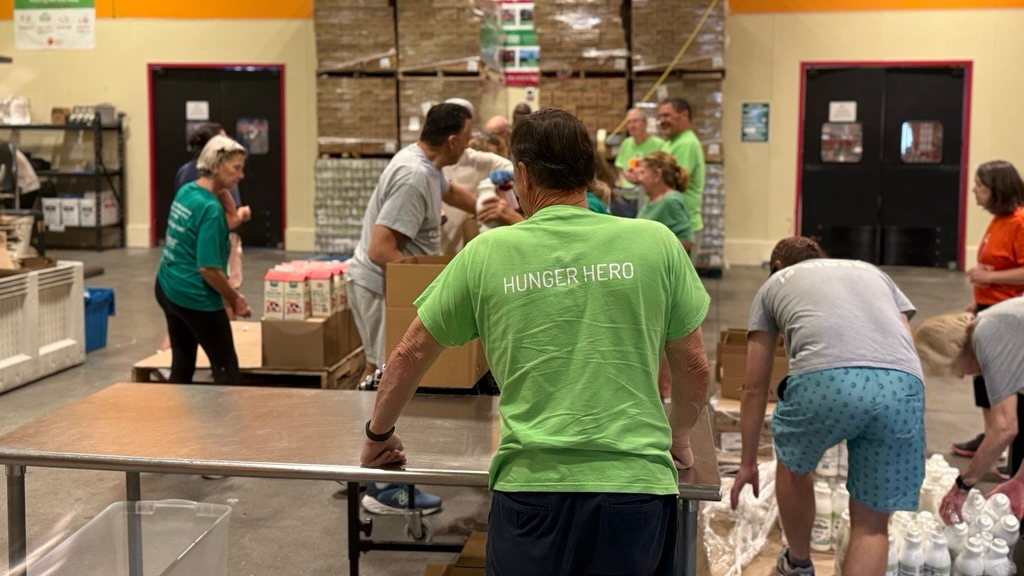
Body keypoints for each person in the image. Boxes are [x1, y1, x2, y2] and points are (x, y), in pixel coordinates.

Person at [360, 109, 711, 575]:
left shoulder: (488, 253)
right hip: (635, 489)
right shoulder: (656, 243)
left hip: (531, 492)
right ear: (588, 174)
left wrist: (378, 435)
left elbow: (408, 354)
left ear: (522, 175)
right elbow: (694, 368)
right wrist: (680, 436)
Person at [731, 236, 925, 576]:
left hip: (825, 382)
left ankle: (798, 563)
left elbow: (754, 386)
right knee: (872, 525)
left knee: (794, 466)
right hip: (902, 386)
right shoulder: (872, 272)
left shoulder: (775, 283)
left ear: (776, 267)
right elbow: (904, 342)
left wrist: (748, 462)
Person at [346, 103, 480, 516]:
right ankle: (382, 487)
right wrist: (438, 290)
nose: (471, 146)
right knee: (390, 376)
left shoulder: (426, 164)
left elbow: (453, 193)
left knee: (383, 374)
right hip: (382, 287)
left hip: (392, 287)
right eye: (469, 138)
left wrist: (510, 209)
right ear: (453, 140)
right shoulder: (413, 175)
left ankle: (361, 468)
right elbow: (381, 249)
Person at [914, 299, 1024, 522]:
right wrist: (1021, 480)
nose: (961, 375)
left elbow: (1004, 428)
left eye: (954, 368)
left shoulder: (989, 335)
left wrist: (963, 484)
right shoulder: (996, 328)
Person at [155, 135, 252, 385]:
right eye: (236, 168)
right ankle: (226, 424)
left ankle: (179, 421)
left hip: (167, 287)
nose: (241, 175)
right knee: (226, 369)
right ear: (216, 165)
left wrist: (223, 188)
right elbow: (208, 269)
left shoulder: (188, 191)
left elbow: (231, 216)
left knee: (183, 362)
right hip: (195, 297)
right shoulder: (210, 210)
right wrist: (235, 298)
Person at [951, 161, 1024, 467]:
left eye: (979, 186)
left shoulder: (1019, 222)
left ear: (998, 189)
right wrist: (977, 299)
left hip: (1008, 317)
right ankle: (990, 434)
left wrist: (989, 280)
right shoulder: (998, 220)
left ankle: (1008, 442)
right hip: (987, 307)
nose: (974, 192)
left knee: (1005, 383)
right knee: (984, 381)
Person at [658, 98, 705, 255]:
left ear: (684, 115)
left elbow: (674, 182)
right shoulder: (670, 143)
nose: (662, 121)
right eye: (660, 117)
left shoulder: (686, 143)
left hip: (681, 226)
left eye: (667, 116)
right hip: (670, 224)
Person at [635, 151, 694, 251]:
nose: (639, 178)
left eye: (643, 173)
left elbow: (686, 241)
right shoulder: (652, 200)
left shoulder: (671, 201)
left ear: (657, 175)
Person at [614, 108, 665, 217]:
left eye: (635, 121)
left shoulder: (659, 144)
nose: (632, 125)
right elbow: (620, 166)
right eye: (628, 122)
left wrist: (640, 178)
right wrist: (622, 177)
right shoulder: (626, 143)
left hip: (648, 201)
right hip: (627, 199)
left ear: (645, 123)